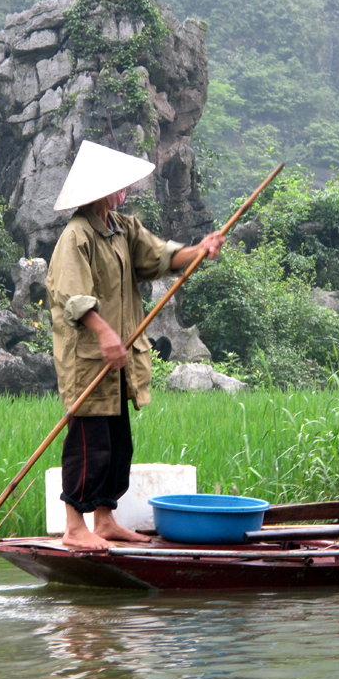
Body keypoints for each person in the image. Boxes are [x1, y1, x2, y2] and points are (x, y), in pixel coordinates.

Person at [45, 141, 225, 550]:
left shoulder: (123, 228)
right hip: (89, 359)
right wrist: (105, 333)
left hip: (119, 362)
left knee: (118, 444)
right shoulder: (77, 236)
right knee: (88, 444)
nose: (123, 191)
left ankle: (105, 520)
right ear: (97, 190)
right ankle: (76, 527)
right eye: (115, 185)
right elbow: (74, 298)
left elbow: (159, 256)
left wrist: (201, 250)